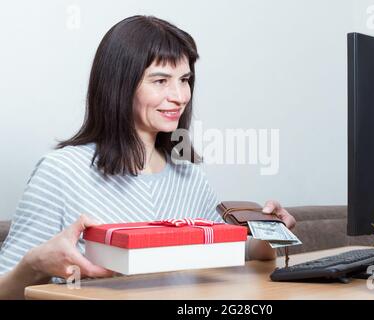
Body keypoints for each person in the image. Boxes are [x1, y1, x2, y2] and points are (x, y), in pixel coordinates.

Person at [0, 15, 296, 299]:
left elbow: (230, 252)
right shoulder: (61, 173)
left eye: (185, 79)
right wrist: (34, 265)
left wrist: (269, 234)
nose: (180, 95)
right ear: (120, 85)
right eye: (160, 81)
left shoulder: (189, 175)